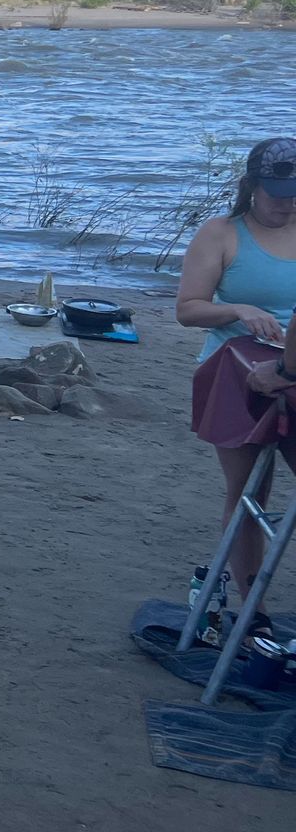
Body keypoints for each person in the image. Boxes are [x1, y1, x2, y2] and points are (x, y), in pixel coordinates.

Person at [177, 137, 296, 627]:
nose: (286, 203)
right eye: (276, 193)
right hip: (236, 370)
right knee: (249, 490)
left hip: (291, 368)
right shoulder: (222, 233)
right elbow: (188, 310)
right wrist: (239, 309)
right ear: (250, 187)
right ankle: (252, 612)